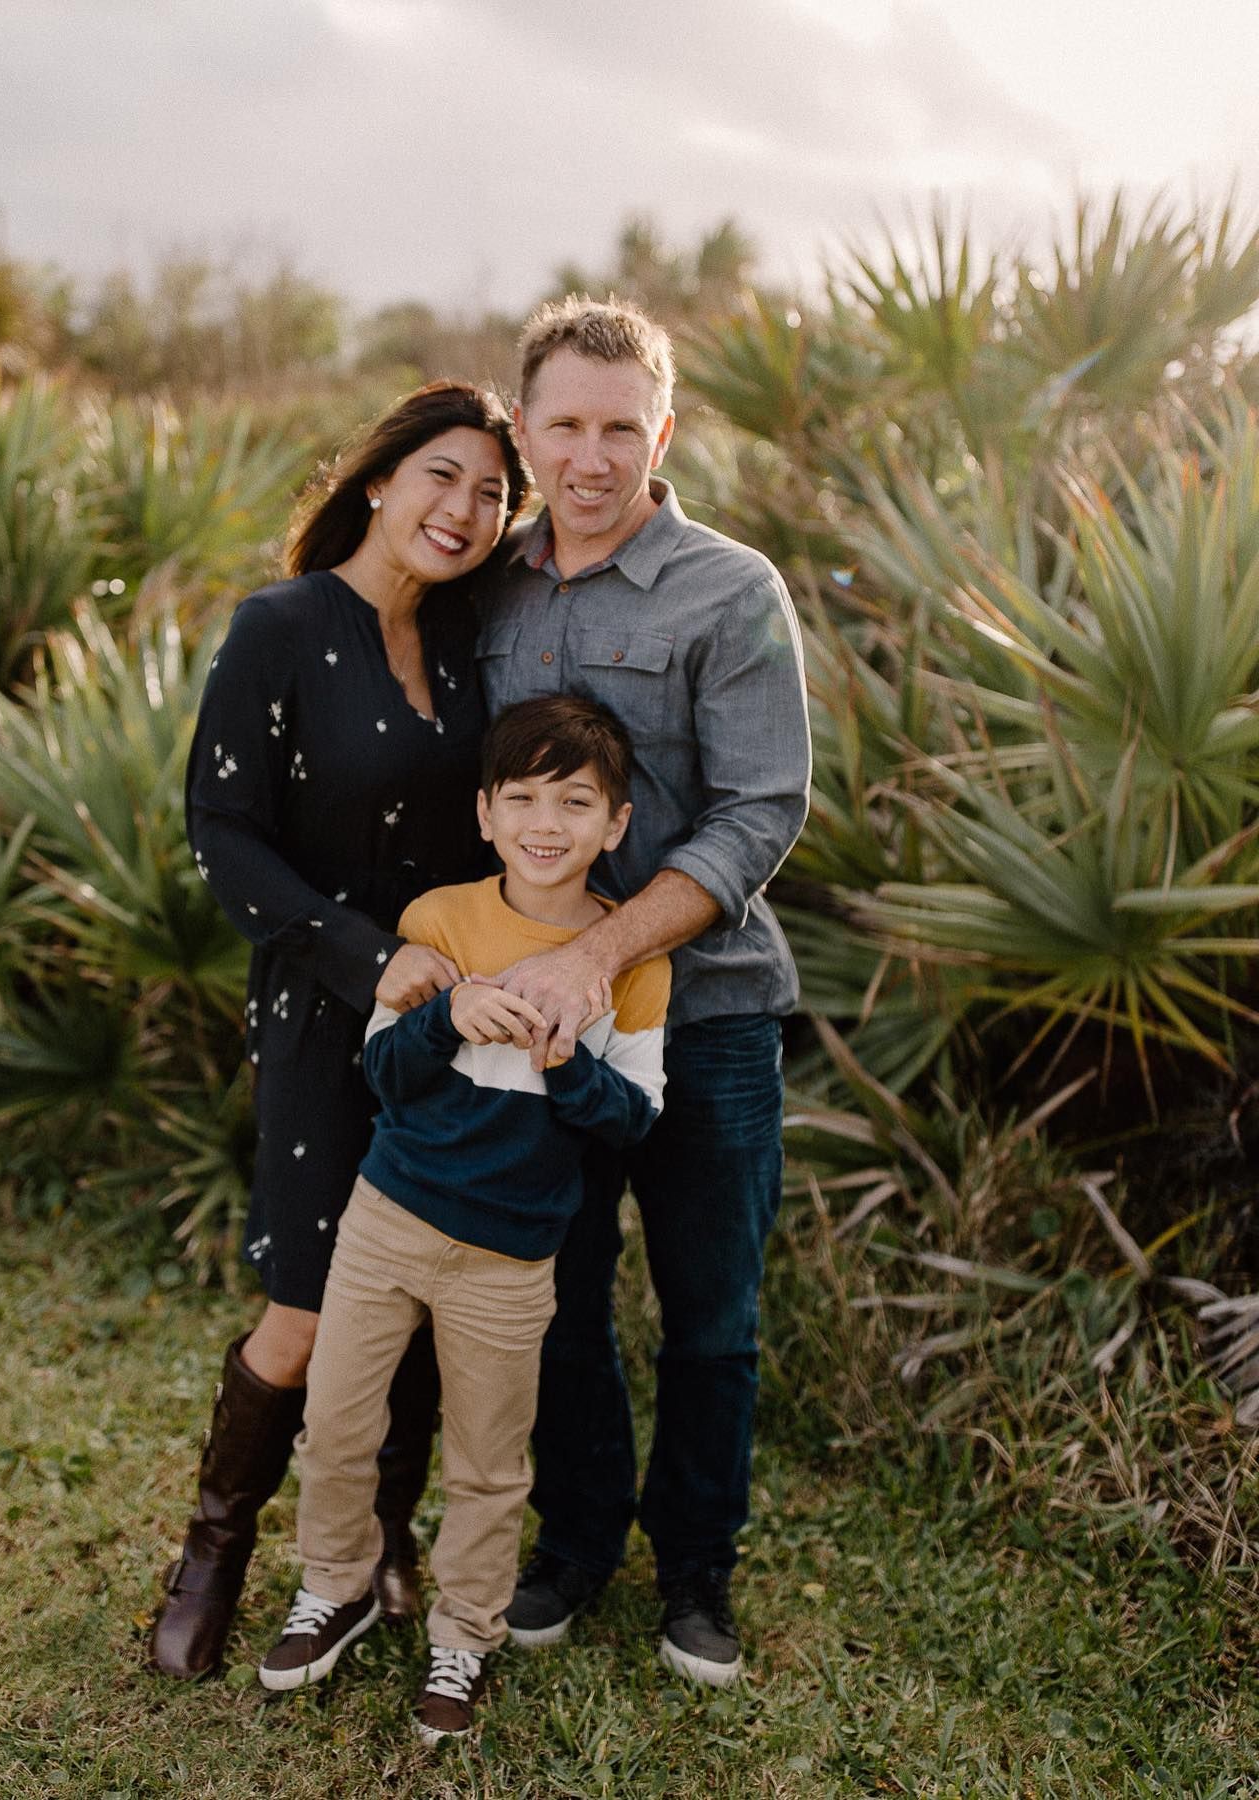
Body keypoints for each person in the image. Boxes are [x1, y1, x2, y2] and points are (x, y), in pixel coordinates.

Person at [149, 381, 528, 1680]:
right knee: (308, 1307)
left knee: (426, 1286)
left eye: (490, 492)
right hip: (325, 1008)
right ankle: (214, 1552)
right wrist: (373, 958)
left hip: (456, 1025)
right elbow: (223, 835)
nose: (463, 508)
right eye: (441, 475)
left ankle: (374, 1548)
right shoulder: (281, 628)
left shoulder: (475, 636)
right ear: (378, 478)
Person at [474, 296, 812, 1687]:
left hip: (713, 1014)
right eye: (565, 424)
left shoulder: (731, 589)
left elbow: (763, 810)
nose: (593, 455)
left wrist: (601, 951)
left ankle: (696, 1572)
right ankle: (575, 1543)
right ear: (526, 428)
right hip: (532, 1017)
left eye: (623, 427)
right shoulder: (483, 587)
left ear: (662, 433)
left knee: (711, 1313)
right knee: (551, 1289)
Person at [254, 695, 670, 1744]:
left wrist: (566, 1060)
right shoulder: (439, 918)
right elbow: (383, 1075)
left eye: (576, 801)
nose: (547, 821)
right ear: (485, 814)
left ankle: (466, 1636)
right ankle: (335, 1587)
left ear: (614, 825)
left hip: (510, 1257)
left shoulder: (630, 960)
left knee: (491, 1462)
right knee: (339, 1424)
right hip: (387, 1222)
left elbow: (634, 1121)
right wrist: (447, 1016)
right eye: (523, 797)